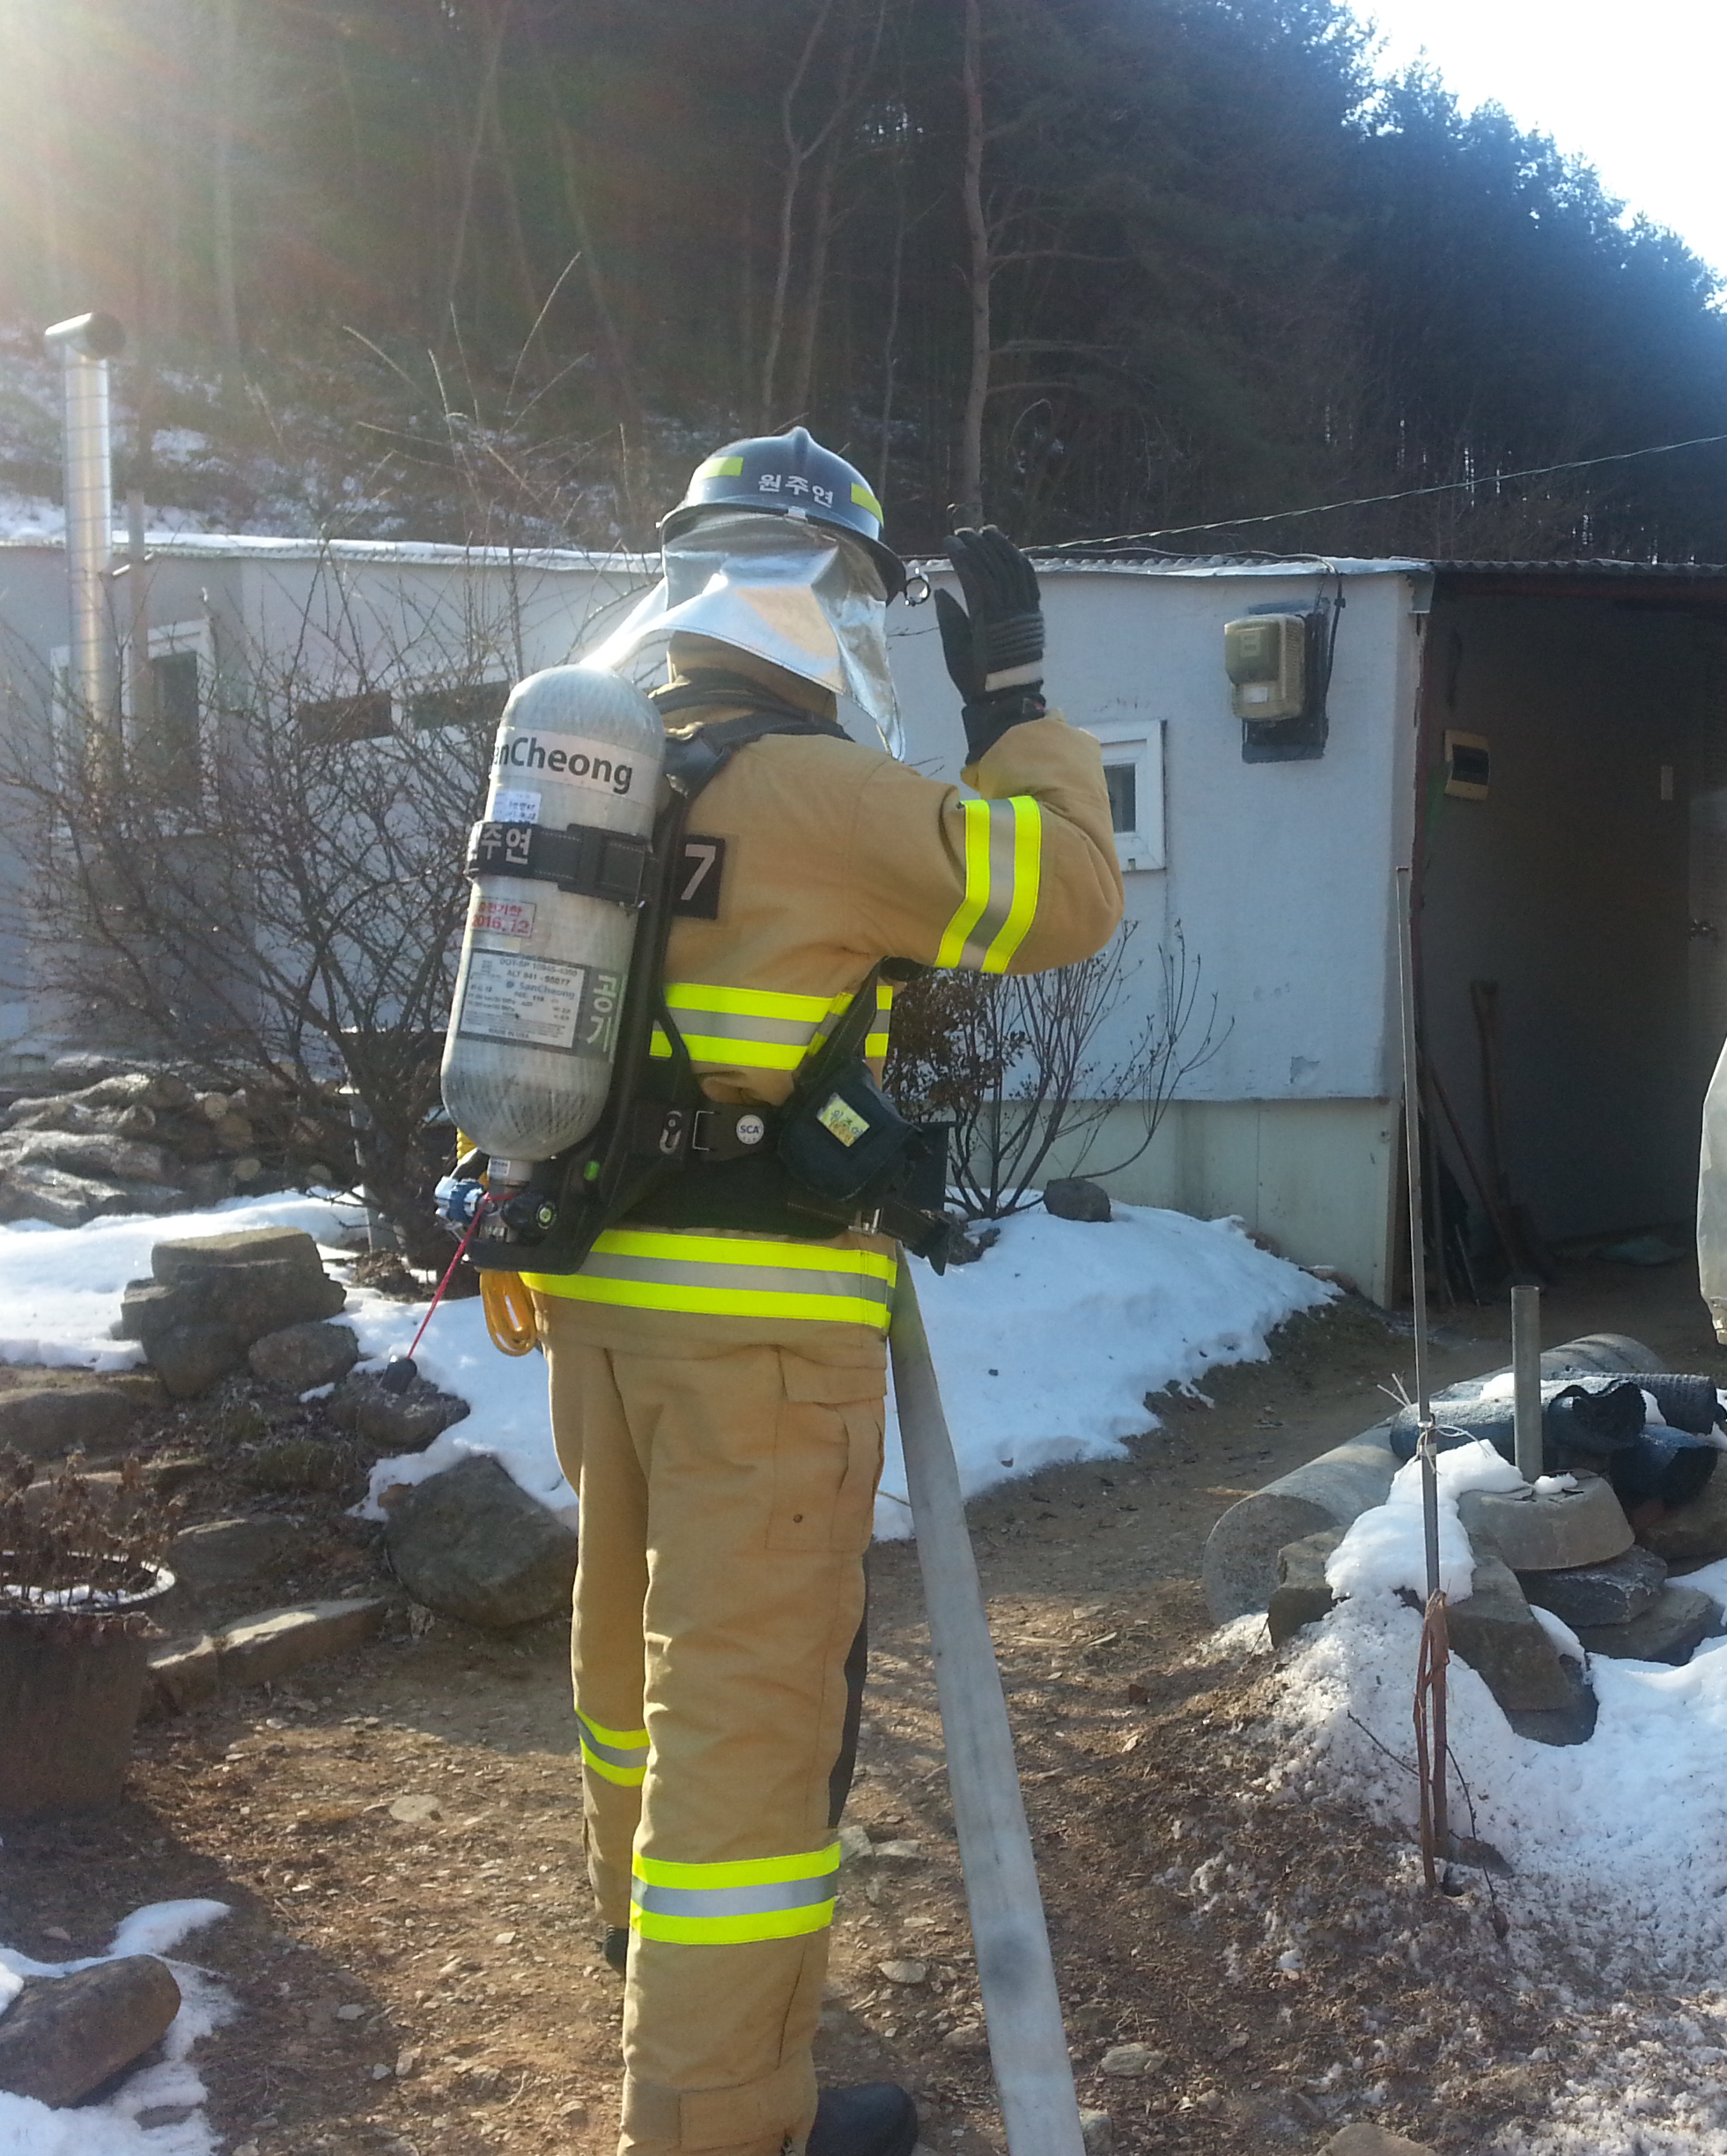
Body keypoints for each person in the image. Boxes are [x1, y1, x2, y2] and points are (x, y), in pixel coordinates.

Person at [525, 429, 1121, 2156]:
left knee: (627, 1662)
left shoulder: (608, 772)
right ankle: (718, 2116)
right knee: (752, 1725)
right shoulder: (813, 792)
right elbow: (1066, 896)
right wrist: (1015, 699)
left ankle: (641, 1957)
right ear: (839, 604)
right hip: (761, 1343)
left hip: (602, 1298)